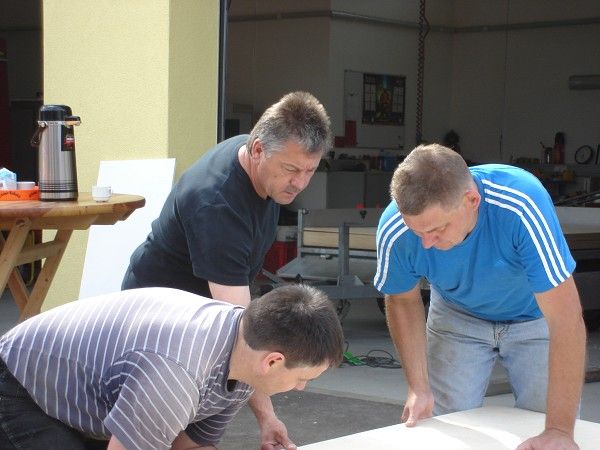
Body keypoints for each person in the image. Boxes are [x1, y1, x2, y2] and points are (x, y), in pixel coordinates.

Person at [121, 91, 332, 448]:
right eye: (291, 170)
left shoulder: (261, 163)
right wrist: (267, 415)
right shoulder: (218, 206)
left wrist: (267, 420)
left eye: (310, 170)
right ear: (258, 150)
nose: (300, 183)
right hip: (156, 324)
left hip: (200, 315)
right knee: (158, 434)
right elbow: (246, 334)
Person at [374, 144, 586, 449]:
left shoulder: (521, 203)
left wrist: (560, 430)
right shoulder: (396, 227)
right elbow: (403, 300)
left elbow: (566, 320)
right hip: (456, 314)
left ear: (472, 200)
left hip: (534, 316)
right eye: (417, 232)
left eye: (437, 229)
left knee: (546, 427)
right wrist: (418, 387)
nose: (427, 243)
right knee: (444, 426)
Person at [0, 284, 344, 450]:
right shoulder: (176, 375)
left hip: (78, 396)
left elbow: (189, 446)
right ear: (273, 361)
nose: (301, 387)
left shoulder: (244, 352)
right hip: (20, 387)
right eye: (303, 378)